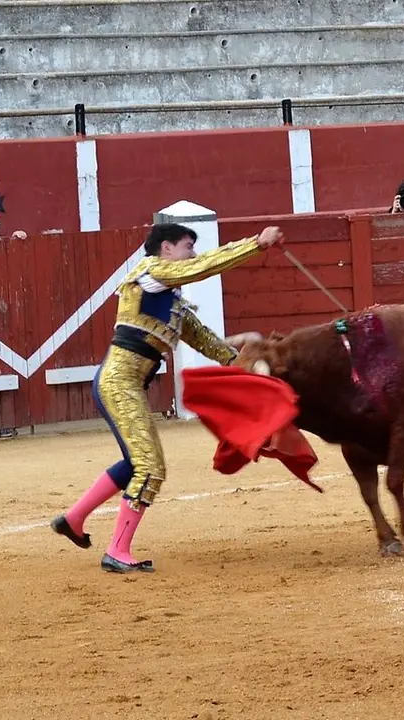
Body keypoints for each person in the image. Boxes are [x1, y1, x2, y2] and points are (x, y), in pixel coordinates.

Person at [50, 222, 284, 573]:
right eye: (188, 245)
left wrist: (246, 360)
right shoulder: (150, 270)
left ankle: (74, 518)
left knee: (134, 463)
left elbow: (205, 340)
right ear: (167, 248)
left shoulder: (169, 300)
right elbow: (200, 267)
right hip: (119, 381)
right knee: (150, 467)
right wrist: (255, 244)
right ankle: (117, 550)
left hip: (123, 382)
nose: (192, 253)